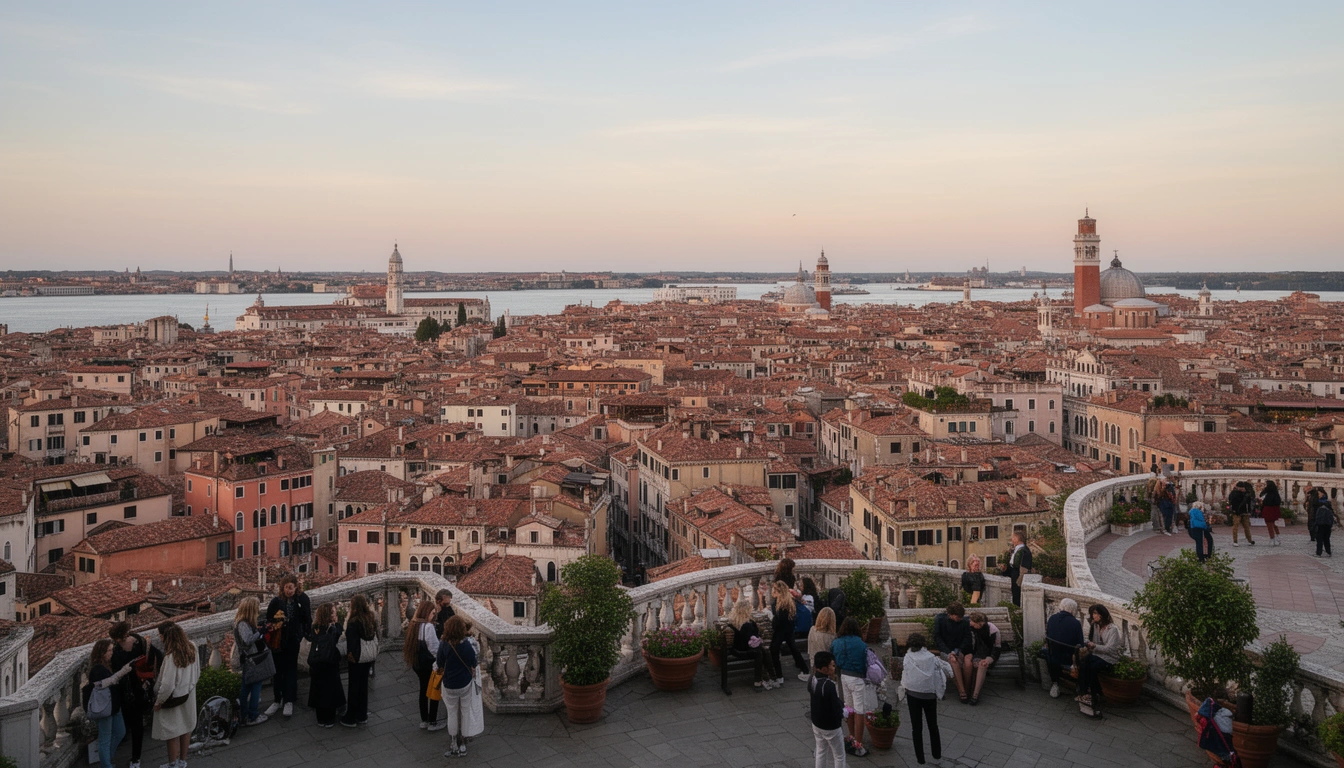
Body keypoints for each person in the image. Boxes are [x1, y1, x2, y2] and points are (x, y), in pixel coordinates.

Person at [108, 621, 157, 768]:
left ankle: (135, 757)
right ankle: (135, 758)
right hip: (139, 687)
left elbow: (115, 671)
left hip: (129, 689)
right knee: (135, 724)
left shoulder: (116, 650)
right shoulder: (139, 641)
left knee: (133, 723)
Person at [900, 633, 954, 766]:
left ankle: (920, 758)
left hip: (913, 695)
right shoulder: (931, 657)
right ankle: (936, 754)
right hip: (929, 696)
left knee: (916, 728)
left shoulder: (908, 657)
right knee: (933, 725)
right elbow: (942, 670)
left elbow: (905, 675)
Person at [152, 621, 200, 768]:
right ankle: (182, 761)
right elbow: (197, 671)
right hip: (189, 694)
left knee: (172, 732)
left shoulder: (170, 657)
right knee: (186, 728)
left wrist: (159, 701)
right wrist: (190, 686)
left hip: (173, 698)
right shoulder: (192, 647)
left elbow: (167, 685)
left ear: (164, 637)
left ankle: (173, 764)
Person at [264, 575, 312, 718]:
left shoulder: (302, 599)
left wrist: (302, 634)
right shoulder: (276, 602)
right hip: (277, 641)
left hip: (293, 640)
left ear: (296, 587)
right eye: (286, 588)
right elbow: (269, 619)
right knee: (278, 671)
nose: (288, 590)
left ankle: (289, 700)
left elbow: (307, 619)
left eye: (291, 587)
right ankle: (277, 699)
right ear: (282, 588)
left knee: (291, 669)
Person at [86, 638, 137, 768]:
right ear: (101, 652)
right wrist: (123, 671)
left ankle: (107, 759)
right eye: (109, 650)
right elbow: (104, 683)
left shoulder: (105, 665)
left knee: (120, 732)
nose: (111, 653)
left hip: (114, 705)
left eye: (111, 650)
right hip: (104, 707)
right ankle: (106, 764)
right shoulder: (97, 669)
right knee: (105, 738)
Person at [436, 615, 479, 758]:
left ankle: (454, 744)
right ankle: (463, 745)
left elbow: (440, 663)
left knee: (452, 713)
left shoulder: (443, 644)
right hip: (464, 683)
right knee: (465, 712)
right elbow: (474, 662)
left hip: (449, 684)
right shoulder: (466, 645)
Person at [831, 617, 872, 757]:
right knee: (860, 710)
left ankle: (851, 736)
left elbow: (834, 659)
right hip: (857, 678)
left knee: (849, 708)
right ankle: (858, 743)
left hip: (844, 677)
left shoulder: (836, 642)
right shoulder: (860, 643)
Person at [232, 597, 273, 726]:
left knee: (247, 687)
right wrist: (261, 632)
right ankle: (252, 715)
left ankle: (244, 715)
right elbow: (248, 640)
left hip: (249, 659)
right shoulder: (242, 624)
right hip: (251, 659)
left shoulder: (243, 622)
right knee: (255, 687)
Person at [340, 593, 378, 727]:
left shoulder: (353, 622)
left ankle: (351, 717)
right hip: (368, 656)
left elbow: (351, 642)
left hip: (357, 658)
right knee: (363, 686)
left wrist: (350, 656)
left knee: (354, 687)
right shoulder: (371, 618)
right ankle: (362, 715)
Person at [306, 602, 345, 727]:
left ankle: (320, 719)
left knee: (318, 689)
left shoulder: (315, 627)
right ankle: (329, 719)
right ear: (328, 615)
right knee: (330, 690)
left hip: (316, 663)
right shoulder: (335, 628)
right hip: (329, 663)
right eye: (333, 612)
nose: (336, 614)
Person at [406, 600, 443, 730]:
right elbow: (434, 648)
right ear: (427, 612)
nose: (433, 616)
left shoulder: (414, 624)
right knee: (433, 690)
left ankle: (424, 720)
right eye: (432, 613)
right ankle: (432, 721)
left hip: (417, 663)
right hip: (428, 663)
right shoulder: (428, 627)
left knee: (423, 690)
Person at [1076, 604, 1122, 707]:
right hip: (1097, 655)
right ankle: (1084, 692)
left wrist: (1094, 646)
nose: (1093, 616)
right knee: (1084, 663)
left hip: (1110, 658)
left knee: (1092, 667)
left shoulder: (1112, 629)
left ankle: (1093, 693)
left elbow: (1110, 649)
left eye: (1095, 613)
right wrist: (1089, 643)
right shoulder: (1096, 626)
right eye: (1093, 613)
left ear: (1102, 614)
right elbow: (1093, 642)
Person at [808, 651, 847, 768]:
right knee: (839, 755)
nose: (834, 668)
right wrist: (843, 712)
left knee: (821, 751)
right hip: (831, 726)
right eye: (832, 665)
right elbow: (835, 706)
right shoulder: (828, 685)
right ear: (825, 669)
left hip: (816, 722)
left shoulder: (812, 679)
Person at [1043, 598, 1084, 698]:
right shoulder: (1076, 623)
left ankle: (1055, 683)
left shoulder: (1052, 618)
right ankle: (1081, 686)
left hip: (1053, 656)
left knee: (1044, 651)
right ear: (1073, 610)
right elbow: (1080, 644)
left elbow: (1049, 635)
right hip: (1068, 659)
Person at [770, 580, 810, 683]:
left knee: (774, 650)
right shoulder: (789, 601)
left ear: (777, 591)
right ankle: (805, 670)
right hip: (789, 629)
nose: (771, 591)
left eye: (773, 589)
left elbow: (778, 619)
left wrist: (773, 624)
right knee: (793, 649)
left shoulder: (777, 603)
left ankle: (779, 676)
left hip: (780, 630)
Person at [728, 600, 772, 690]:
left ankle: (766, 677)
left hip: (736, 648)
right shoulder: (747, 625)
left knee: (762, 651)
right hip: (742, 651)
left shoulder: (734, 622)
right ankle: (765, 678)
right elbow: (751, 640)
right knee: (760, 652)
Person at [959, 611, 1000, 706]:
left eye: (972, 622)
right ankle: (968, 690)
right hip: (975, 654)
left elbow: (997, 648)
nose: (970, 623)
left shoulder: (993, 630)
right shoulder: (970, 627)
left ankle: (975, 695)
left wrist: (991, 658)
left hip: (989, 654)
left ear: (979, 623)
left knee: (983, 664)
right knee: (972, 662)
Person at [932, 602, 971, 703]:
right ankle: (962, 691)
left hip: (960, 650)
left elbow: (967, 638)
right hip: (945, 650)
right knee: (953, 661)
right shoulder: (940, 619)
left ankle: (964, 691)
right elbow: (937, 638)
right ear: (950, 614)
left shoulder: (965, 621)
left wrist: (958, 651)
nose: (959, 619)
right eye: (957, 617)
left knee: (958, 661)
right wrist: (949, 652)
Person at [1000, 531, 1033, 606]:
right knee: (1015, 594)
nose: (1012, 539)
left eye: (1013, 537)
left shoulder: (1023, 551)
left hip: (1018, 576)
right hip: (1015, 574)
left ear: (1017, 539)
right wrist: (1005, 570)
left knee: (1017, 595)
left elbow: (1022, 566)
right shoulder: (1017, 549)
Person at [1228, 481, 1256, 547]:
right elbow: (1231, 500)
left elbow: (1249, 501)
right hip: (1237, 511)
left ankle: (1250, 540)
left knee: (1246, 526)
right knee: (1236, 526)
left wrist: (1245, 494)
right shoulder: (1234, 493)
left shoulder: (1246, 494)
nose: (1241, 489)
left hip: (1243, 511)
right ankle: (1235, 541)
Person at [1313, 493, 1337, 558]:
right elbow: (1332, 517)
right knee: (1326, 539)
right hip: (1328, 525)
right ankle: (1328, 552)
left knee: (1319, 539)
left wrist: (1315, 524)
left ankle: (1319, 553)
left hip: (1321, 525)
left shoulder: (1320, 508)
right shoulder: (1329, 508)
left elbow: (1317, 517)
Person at [1260, 480, 1283, 545]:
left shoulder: (1267, 493)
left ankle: (1272, 538)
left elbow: (1263, 499)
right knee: (1274, 524)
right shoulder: (1275, 493)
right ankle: (1278, 537)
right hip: (1275, 509)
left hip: (1268, 509)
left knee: (1269, 525)